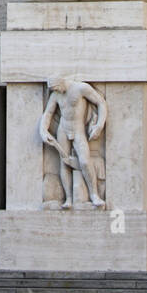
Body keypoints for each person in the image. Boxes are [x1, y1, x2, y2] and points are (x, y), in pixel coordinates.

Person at [39, 75, 106, 208]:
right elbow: (48, 113)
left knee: (85, 162)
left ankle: (94, 195)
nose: (55, 91)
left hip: (78, 129)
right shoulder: (56, 94)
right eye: (53, 90)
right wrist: (43, 130)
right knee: (64, 163)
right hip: (63, 129)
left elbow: (100, 103)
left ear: (61, 82)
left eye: (56, 88)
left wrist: (99, 125)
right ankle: (68, 199)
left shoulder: (81, 88)